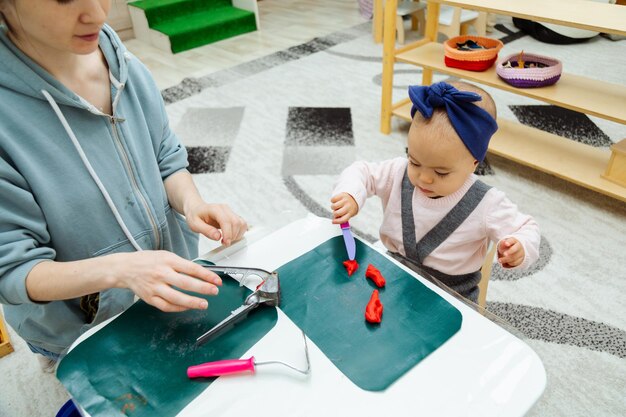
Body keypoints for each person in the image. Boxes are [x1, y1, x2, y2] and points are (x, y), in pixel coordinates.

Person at [0, 0, 247, 366]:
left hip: (171, 294)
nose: (98, 14)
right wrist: (122, 270)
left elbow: (164, 154)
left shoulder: (122, 61)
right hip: (81, 332)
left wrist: (193, 205)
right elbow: (13, 270)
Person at [330, 81, 540, 302]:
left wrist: (520, 247)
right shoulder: (397, 172)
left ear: (474, 164)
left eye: (441, 172)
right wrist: (351, 194)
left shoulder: (487, 203)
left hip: (450, 296)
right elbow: (361, 171)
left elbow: (527, 228)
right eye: (415, 161)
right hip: (393, 274)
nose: (424, 178)